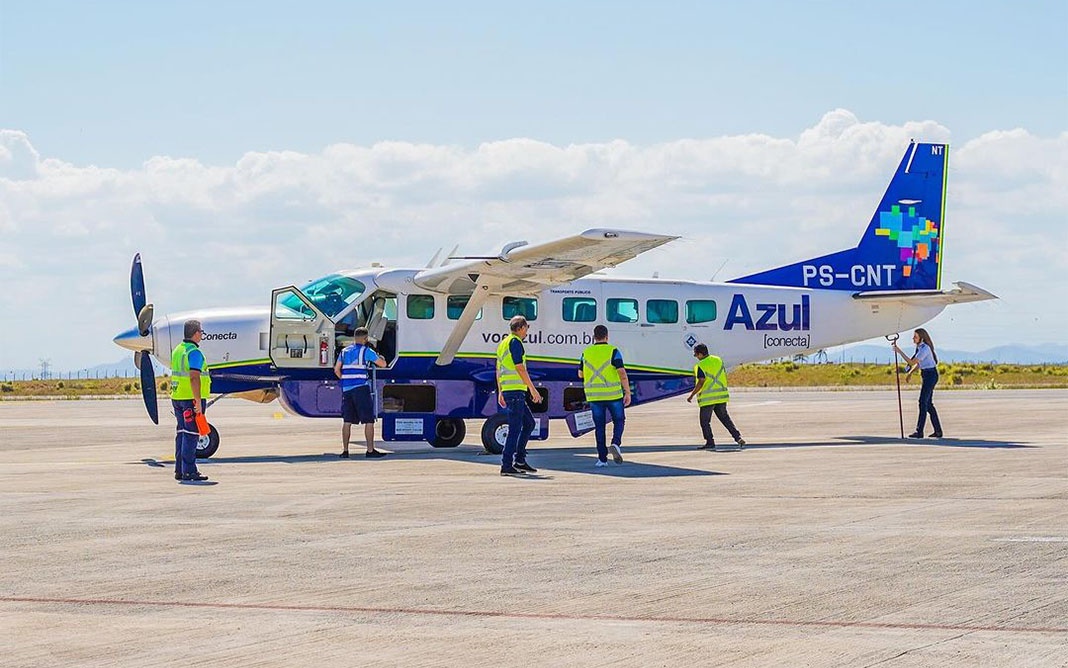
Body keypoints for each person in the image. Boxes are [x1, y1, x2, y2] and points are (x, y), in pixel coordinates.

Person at [496, 315, 543, 476]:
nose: (527, 331)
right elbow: (519, 368)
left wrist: (501, 391)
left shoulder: (503, 343)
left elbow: (499, 370)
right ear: (521, 328)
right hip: (516, 391)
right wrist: (533, 389)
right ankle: (506, 464)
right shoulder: (515, 342)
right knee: (515, 428)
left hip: (511, 391)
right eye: (527, 328)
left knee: (528, 424)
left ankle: (520, 461)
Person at [578, 324, 631, 467]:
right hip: (613, 395)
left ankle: (602, 459)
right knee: (619, 420)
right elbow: (622, 373)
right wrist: (627, 392)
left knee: (599, 427)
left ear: (594, 337)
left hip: (595, 397)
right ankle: (615, 443)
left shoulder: (586, 352)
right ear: (607, 336)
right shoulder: (613, 351)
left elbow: (580, 374)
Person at [334, 327, 388, 458]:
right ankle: (370, 451)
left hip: (346, 390)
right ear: (365, 339)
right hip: (360, 388)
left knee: (347, 421)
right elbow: (383, 364)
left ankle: (345, 451)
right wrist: (381, 357)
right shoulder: (366, 351)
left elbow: (336, 370)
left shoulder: (344, 351)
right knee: (368, 420)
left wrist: (346, 379)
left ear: (354, 338)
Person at [170, 319, 211, 482]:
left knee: (182, 433)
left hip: (178, 397)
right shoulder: (194, 352)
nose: (202, 335)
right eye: (201, 332)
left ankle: (179, 469)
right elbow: (195, 377)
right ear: (195, 333)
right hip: (190, 399)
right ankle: (189, 471)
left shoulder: (178, 350)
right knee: (192, 434)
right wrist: (198, 401)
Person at [686, 343, 746, 450]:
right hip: (721, 396)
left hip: (708, 399)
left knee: (704, 422)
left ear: (700, 354)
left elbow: (701, 381)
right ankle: (738, 437)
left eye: (696, 355)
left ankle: (710, 442)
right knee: (725, 419)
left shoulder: (700, 365)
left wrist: (692, 395)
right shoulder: (718, 360)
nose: (696, 357)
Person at [893, 328, 943, 439]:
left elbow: (912, 362)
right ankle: (938, 431)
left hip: (930, 375)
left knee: (922, 402)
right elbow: (919, 364)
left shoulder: (924, 348)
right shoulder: (920, 348)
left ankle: (919, 431)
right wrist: (910, 373)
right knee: (928, 404)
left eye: (915, 337)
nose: (913, 338)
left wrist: (899, 351)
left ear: (921, 337)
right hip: (927, 374)